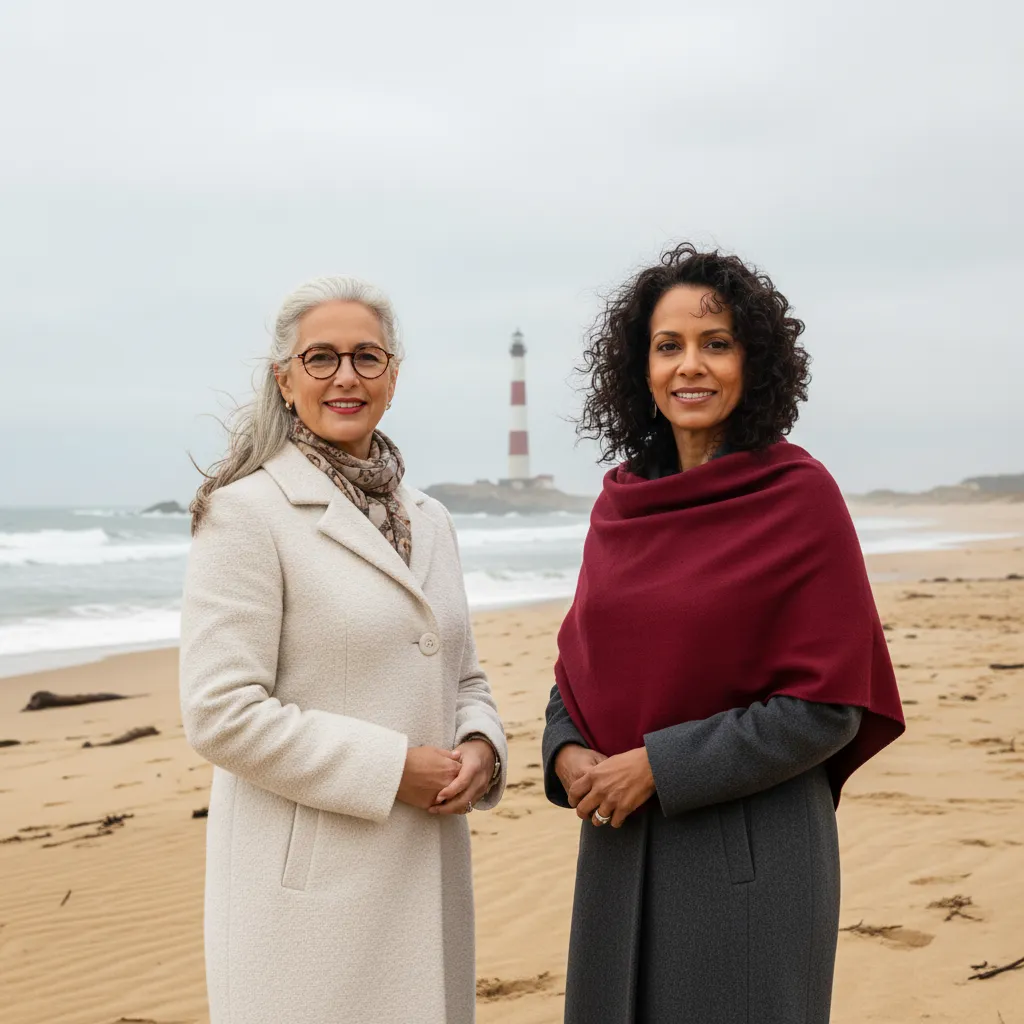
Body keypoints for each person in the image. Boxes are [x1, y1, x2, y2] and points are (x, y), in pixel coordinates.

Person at [542, 244, 904, 1024]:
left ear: (754, 360)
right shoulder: (621, 505)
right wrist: (565, 751)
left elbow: (826, 707)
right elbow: (582, 666)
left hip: (749, 856)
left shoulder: (799, 498)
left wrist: (657, 767)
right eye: (668, 346)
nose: (690, 367)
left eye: (716, 343)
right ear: (641, 368)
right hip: (617, 846)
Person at [180, 276, 507, 1024]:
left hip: (427, 871)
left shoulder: (432, 521)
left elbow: (464, 672)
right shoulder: (244, 515)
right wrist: (393, 769)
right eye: (321, 358)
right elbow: (220, 714)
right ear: (284, 379)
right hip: (309, 902)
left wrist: (482, 744)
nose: (346, 378)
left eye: (367, 357)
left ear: (394, 374)